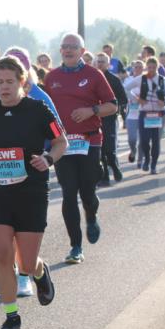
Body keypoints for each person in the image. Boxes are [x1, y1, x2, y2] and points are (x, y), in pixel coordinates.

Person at [0, 56, 65, 329]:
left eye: (10, 82)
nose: (4, 87)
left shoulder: (39, 109)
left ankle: (39, 271)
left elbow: (61, 142)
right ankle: (11, 317)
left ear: (22, 82)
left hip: (31, 193)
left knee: (26, 263)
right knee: (2, 255)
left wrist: (48, 158)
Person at [44, 33, 118, 265]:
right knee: (68, 192)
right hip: (63, 144)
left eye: (73, 47)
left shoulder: (94, 75)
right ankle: (75, 245)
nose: (68, 50)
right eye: (64, 47)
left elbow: (113, 106)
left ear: (82, 50)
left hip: (89, 141)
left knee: (87, 192)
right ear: (60, 51)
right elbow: (44, 109)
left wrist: (91, 111)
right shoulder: (51, 77)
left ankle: (92, 215)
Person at [2, 46, 63, 298]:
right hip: (3, 173)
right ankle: (20, 270)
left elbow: (58, 134)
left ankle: (27, 273)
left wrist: (46, 156)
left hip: (33, 172)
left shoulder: (40, 97)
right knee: (7, 231)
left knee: (25, 230)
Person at [94, 52, 128, 186]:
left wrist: (120, 114)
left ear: (108, 64)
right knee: (99, 149)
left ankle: (114, 166)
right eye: (98, 61)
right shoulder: (91, 79)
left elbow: (123, 99)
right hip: (95, 118)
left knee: (109, 148)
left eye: (103, 61)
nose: (100, 64)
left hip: (110, 118)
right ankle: (104, 177)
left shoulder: (114, 80)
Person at [136, 57, 165, 175]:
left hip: (159, 114)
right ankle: (147, 158)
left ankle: (153, 165)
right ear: (146, 67)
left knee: (156, 140)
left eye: (154, 67)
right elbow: (126, 88)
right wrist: (137, 99)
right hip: (145, 113)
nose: (151, 70)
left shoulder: (163, 80)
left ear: (157, 67)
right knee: (144, 140)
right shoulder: (141, 79)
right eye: (149, 67)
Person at [122, 60, 145, 166]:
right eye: (136, 67)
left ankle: (140, 159)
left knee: (142, 140)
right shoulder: (128, 80)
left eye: (140, 67)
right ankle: (133, 151)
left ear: (143, 69)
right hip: (131, 114)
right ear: (132, 68)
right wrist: (134, 98)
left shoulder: (146, 80)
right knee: (132, 139)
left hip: (144, 114)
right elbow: (124, 92)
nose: (138, 69)